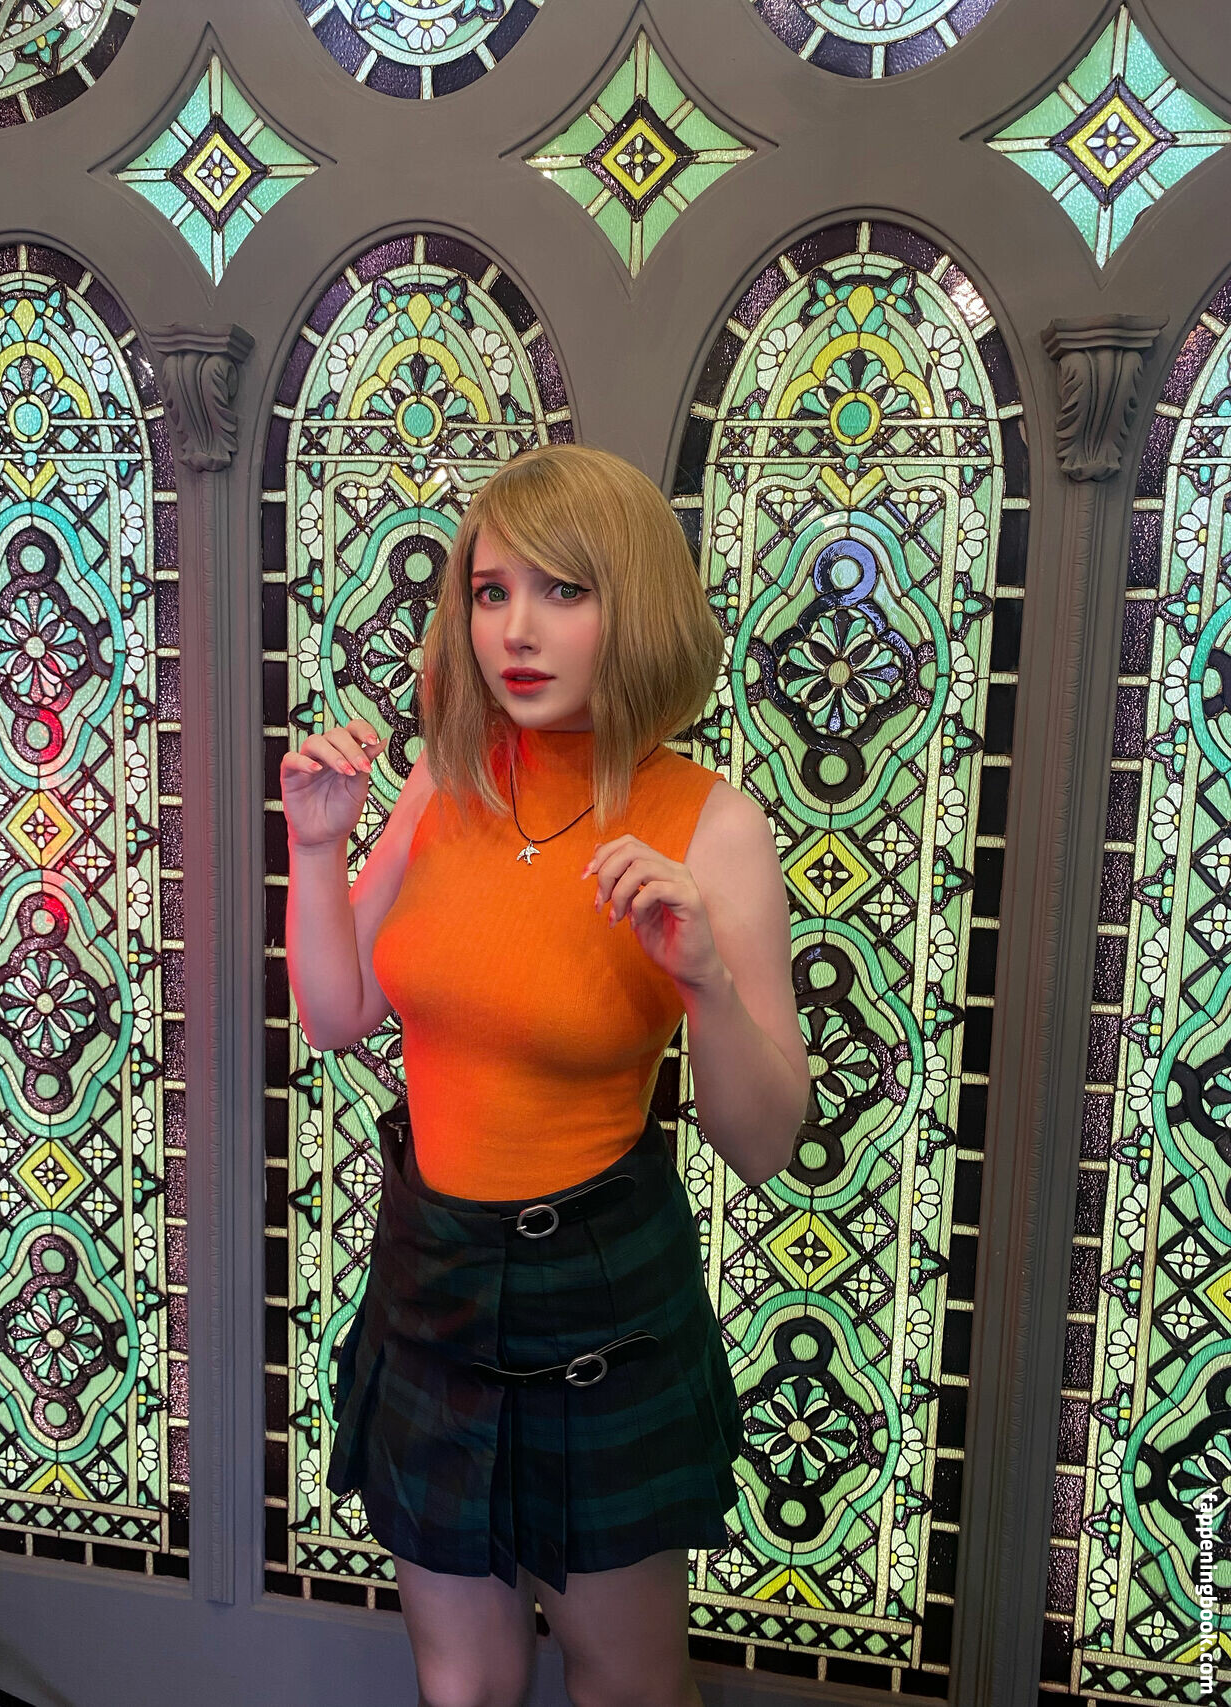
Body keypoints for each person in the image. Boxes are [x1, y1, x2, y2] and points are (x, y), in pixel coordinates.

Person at [281, 444, 810, 1707]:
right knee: (461, 1684)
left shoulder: (710, 824)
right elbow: (339, 1014)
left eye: (563, 591)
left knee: (625, 1686)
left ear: (637, 607)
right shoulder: (440, 781)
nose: (514, 630)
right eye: (490, 590)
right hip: (431, 1283)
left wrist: (704, 980)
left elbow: (761, 1142)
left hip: (599, 1303)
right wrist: (313, 850)